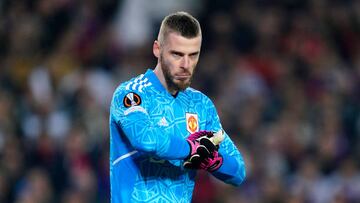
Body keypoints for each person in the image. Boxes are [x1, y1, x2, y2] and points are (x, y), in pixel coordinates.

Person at [109, 11, 246, 203]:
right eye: (177, 54)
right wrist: (192, 149)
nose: (186, 64)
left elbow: (239, 171)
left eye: (193, 55)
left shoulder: (201, 105)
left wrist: (213, 160)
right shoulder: (132, 94)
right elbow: (146, 140)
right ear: (157, 49)